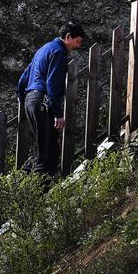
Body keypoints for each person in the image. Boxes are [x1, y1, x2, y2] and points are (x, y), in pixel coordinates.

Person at [16, 21, 86, 175]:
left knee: (43, 149)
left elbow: (24, 77)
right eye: (78, 41)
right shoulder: (59, 52)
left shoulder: (44, 49)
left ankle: (20, 185)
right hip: (42, 102)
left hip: (31, 100)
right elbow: (52, 85)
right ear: (68, 37)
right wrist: (58, 114)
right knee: (48, 155)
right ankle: (37, 193)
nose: (78, 46)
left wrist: (22, 97)